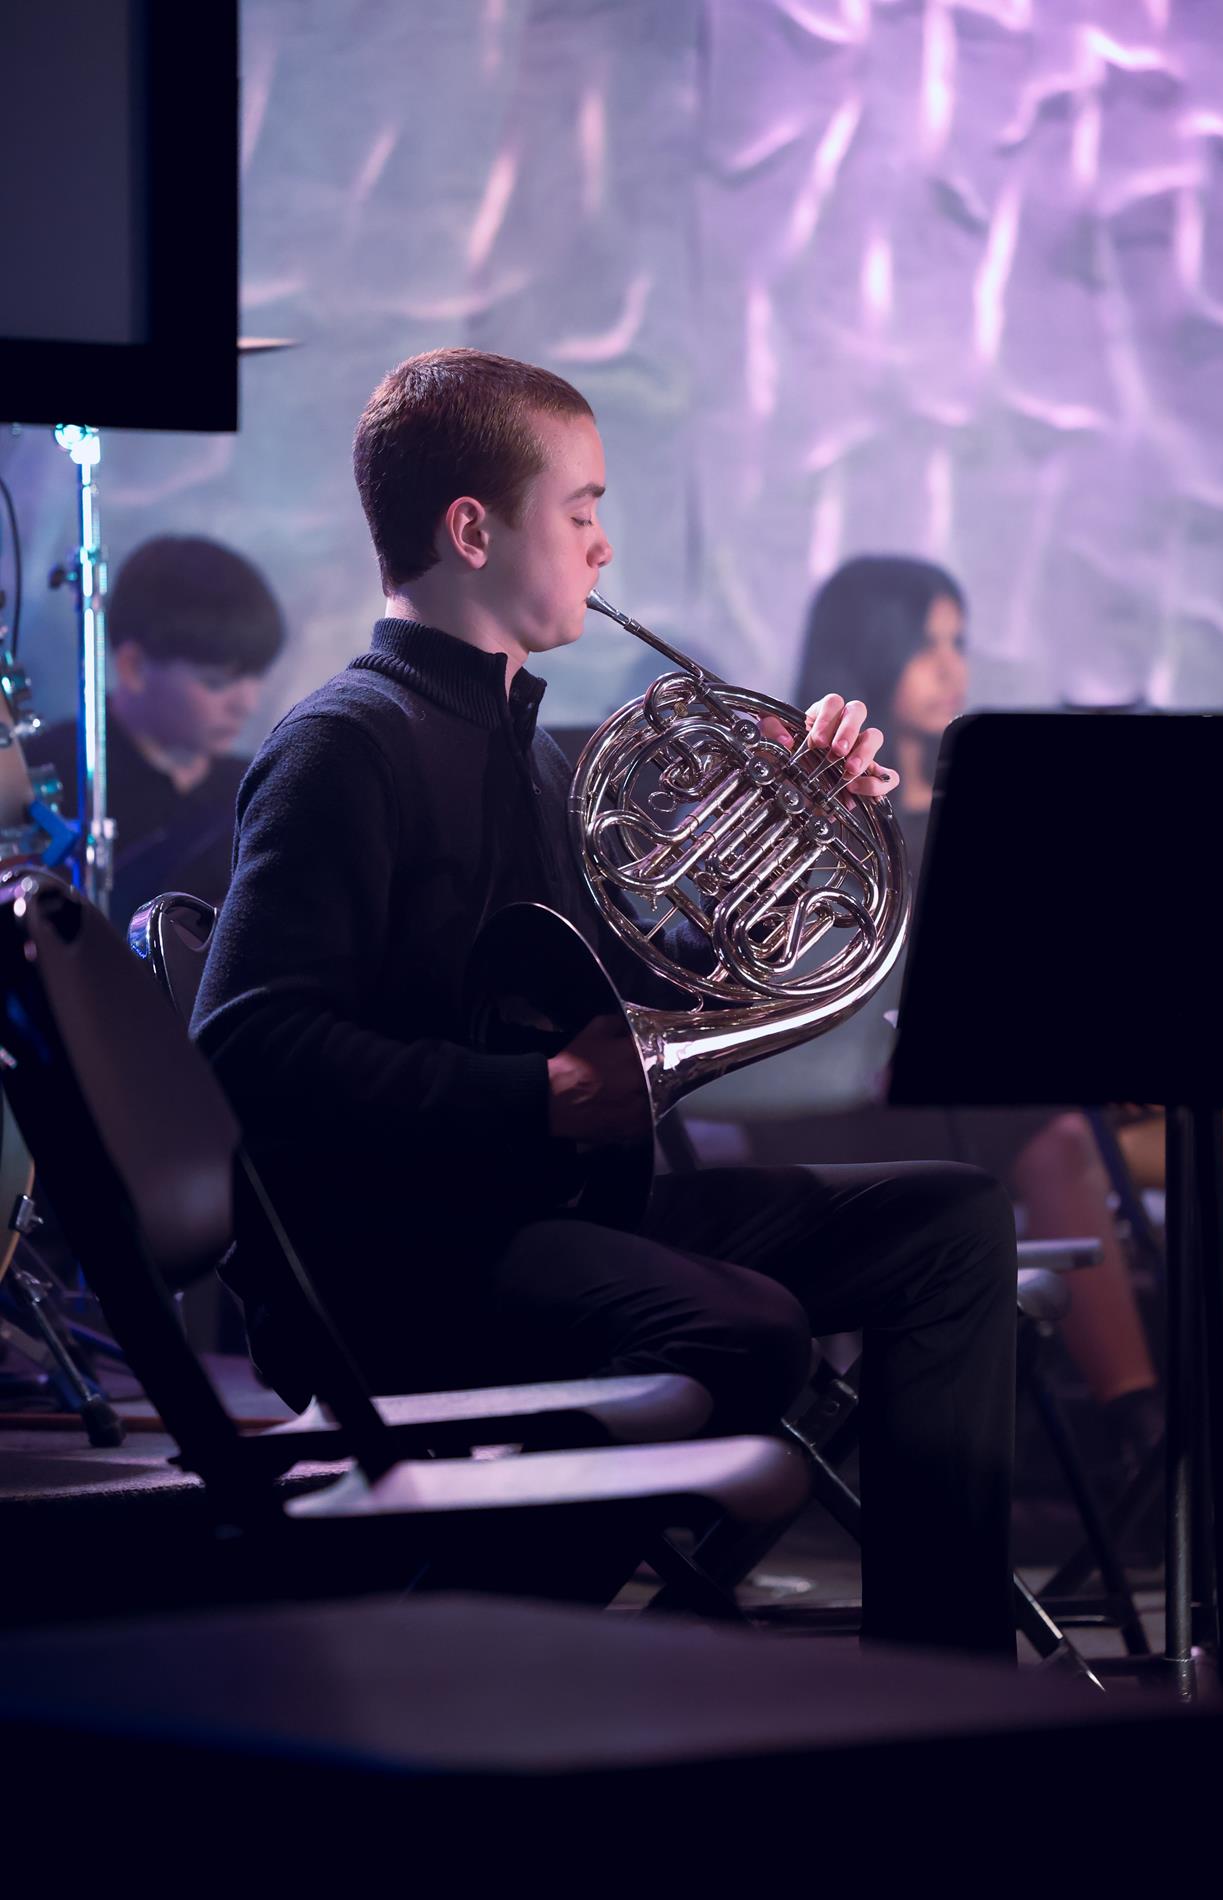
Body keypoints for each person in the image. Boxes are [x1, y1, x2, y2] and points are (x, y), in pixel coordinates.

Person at [191, 349, 1019, 1654]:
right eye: (578, 511)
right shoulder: (345, 743)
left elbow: (610, 986)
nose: (604, 546)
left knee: (951, 1222)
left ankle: (944, 1677)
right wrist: (537, 1096)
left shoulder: (530, 748)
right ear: (471, 529)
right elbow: (244, 1045)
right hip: (405, 1253)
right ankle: (459, 1647)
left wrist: (801, 817)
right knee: (742, 1330)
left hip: (543, 1212)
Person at [795, 557, 1163, 1483]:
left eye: (958, 643)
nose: (953, 668)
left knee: (1222, 1154)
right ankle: (1145, 1431)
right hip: (861, 1102)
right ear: (869, 650)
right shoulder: (822, 813)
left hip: (994, 1088)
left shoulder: (980, 810)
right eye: (928, 646)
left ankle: (1189, 1418)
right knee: (1058, 1140)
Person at [40, 535, 286, 931]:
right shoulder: (47, 778)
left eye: (255, 678)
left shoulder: (257, 786)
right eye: (216, 682)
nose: (246, 704)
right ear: (134, 667)